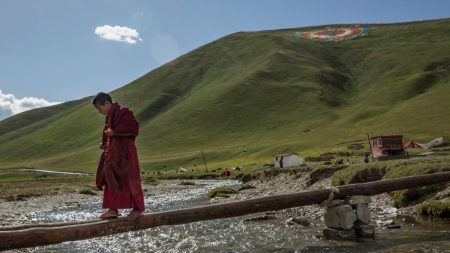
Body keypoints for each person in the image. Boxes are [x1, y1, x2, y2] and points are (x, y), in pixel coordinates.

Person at [93, 92, 145, 220]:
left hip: (126, 152)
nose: (100, 112)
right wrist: (105, 143)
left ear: (106, 103)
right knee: (110, 179)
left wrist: (115, 132)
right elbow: (110, 133)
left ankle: (138, 209)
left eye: (100, 108)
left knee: (131, 179)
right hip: (114, 153)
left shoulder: (124, 111)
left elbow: (133, 128)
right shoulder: (110, 117)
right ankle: (113, 209)